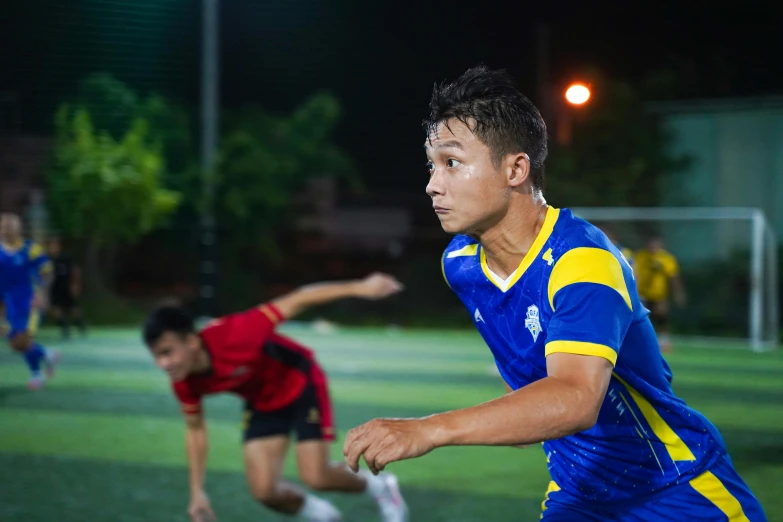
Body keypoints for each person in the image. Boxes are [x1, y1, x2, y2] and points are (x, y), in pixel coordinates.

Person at [343, 67, 766, 521]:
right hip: (578, 494)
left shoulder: (583, 261)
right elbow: (531, 404)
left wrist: (430, 429)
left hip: (677, 492)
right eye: (431, 164)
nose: (432, 184)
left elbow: (575, 399)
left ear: (516, 169)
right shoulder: (461, 265)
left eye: (452, 162)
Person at [143, 273, 409, 522]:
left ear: (191, 342)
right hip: (262, 401)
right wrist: (197, 491)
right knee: (264, 491)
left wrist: (360, 287)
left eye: (168, 352)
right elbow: (195, 431)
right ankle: (322, 515)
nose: (163, 364)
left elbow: (298, 299)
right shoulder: (183, 380)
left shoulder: (237, 333)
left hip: (300, 382)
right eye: (157, 356)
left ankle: (380, 486)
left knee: (317, 477)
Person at [0, 213, 60, 389]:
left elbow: (48, 273)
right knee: (15, 344)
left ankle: (36, 374)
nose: (3, 230)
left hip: (30, 302)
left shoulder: (31, 249)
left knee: (23, 341)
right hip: (7, 303)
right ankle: (48, 354)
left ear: (18, 229)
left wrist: (43, 294)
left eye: (8, 227)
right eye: (2, 227)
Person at [634, 234, 686, 353]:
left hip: (659, 295)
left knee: (661, 318)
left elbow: (673, 277)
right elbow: (635, 274)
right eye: (651, 244)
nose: (653, 247)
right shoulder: (641, 256)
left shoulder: (666, 259)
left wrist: (678, 293)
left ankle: (664, 342)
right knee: (643, 319)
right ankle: (642, 342)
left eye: (655, 245)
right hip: (642, 294)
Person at [47, 236, 86, 340]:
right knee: (54, 310)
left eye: (54, 246)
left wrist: (75, 284)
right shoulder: (48, 259)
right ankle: (65, 328)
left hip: (67, 286)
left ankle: (80, 324)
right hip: (55, 288)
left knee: (73, 309)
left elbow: (76, 270)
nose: (52, 248)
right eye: (50, 246)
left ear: (59, 247)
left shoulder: (66, 257)